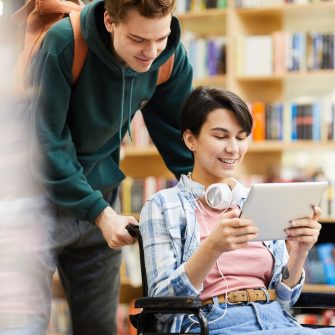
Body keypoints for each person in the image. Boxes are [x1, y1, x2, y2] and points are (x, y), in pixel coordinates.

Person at [21, 1, 193, 334]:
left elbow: (182, 139)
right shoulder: (64, 44)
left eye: (161, 37)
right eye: (139, 40)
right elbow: (45, 144)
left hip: (101, 200)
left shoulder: (168, 57)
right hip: (35, 203)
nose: (151, 51)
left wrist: (214, 196)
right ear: (110, 21)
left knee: (99, 327)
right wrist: (101, 214)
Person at [139, 86, 334, 334]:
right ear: (190, 139)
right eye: (221, 137)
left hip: (276, 320)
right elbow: (161, 308)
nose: (233, 149)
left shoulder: (259, 200)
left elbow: (287, 300)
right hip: (213, 324)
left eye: (241, 138)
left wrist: (298, 253)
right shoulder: (163, 206)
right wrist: (212, 248)